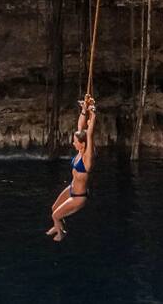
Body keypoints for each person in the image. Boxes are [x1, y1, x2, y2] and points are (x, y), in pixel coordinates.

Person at [46, 94, 96, 242]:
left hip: (79, 197)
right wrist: (84, 109)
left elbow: (90, 133)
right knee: (53, 209)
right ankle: (58, 225)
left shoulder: (88, 158)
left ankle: (61, 233)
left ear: (82, 144)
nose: (73, 144)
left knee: (56, 215)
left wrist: (93, 114)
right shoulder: (80, 151)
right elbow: (81, 127)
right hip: (71, 189)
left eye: (75, 142)